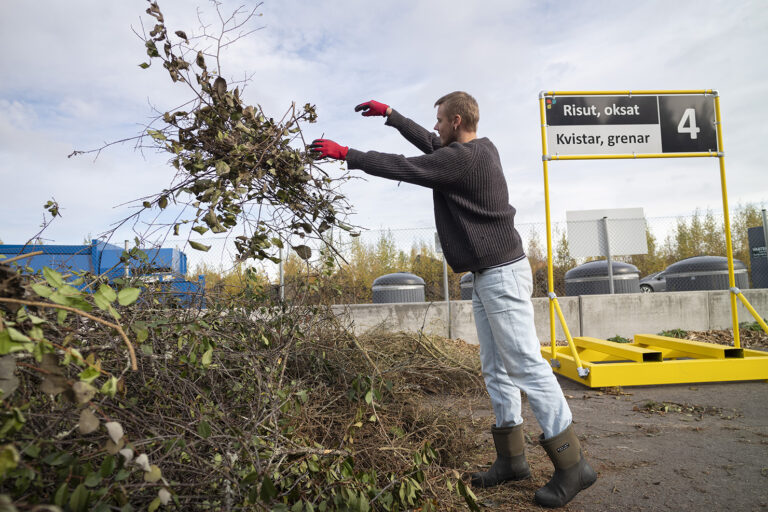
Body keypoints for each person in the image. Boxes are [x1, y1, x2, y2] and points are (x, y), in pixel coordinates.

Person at [308, 92, 597, 508]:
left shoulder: (462, 159)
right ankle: (511, 460)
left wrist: (347, 154)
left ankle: (573, 466)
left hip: (500, 275)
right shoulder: (476, 149)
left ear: (457, 120)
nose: (436, 127)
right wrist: (392, 116)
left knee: (526, 365)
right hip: (487, 275)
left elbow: (407, 167)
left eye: (440, 120)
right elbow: (430, 145)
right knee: (495, 368)